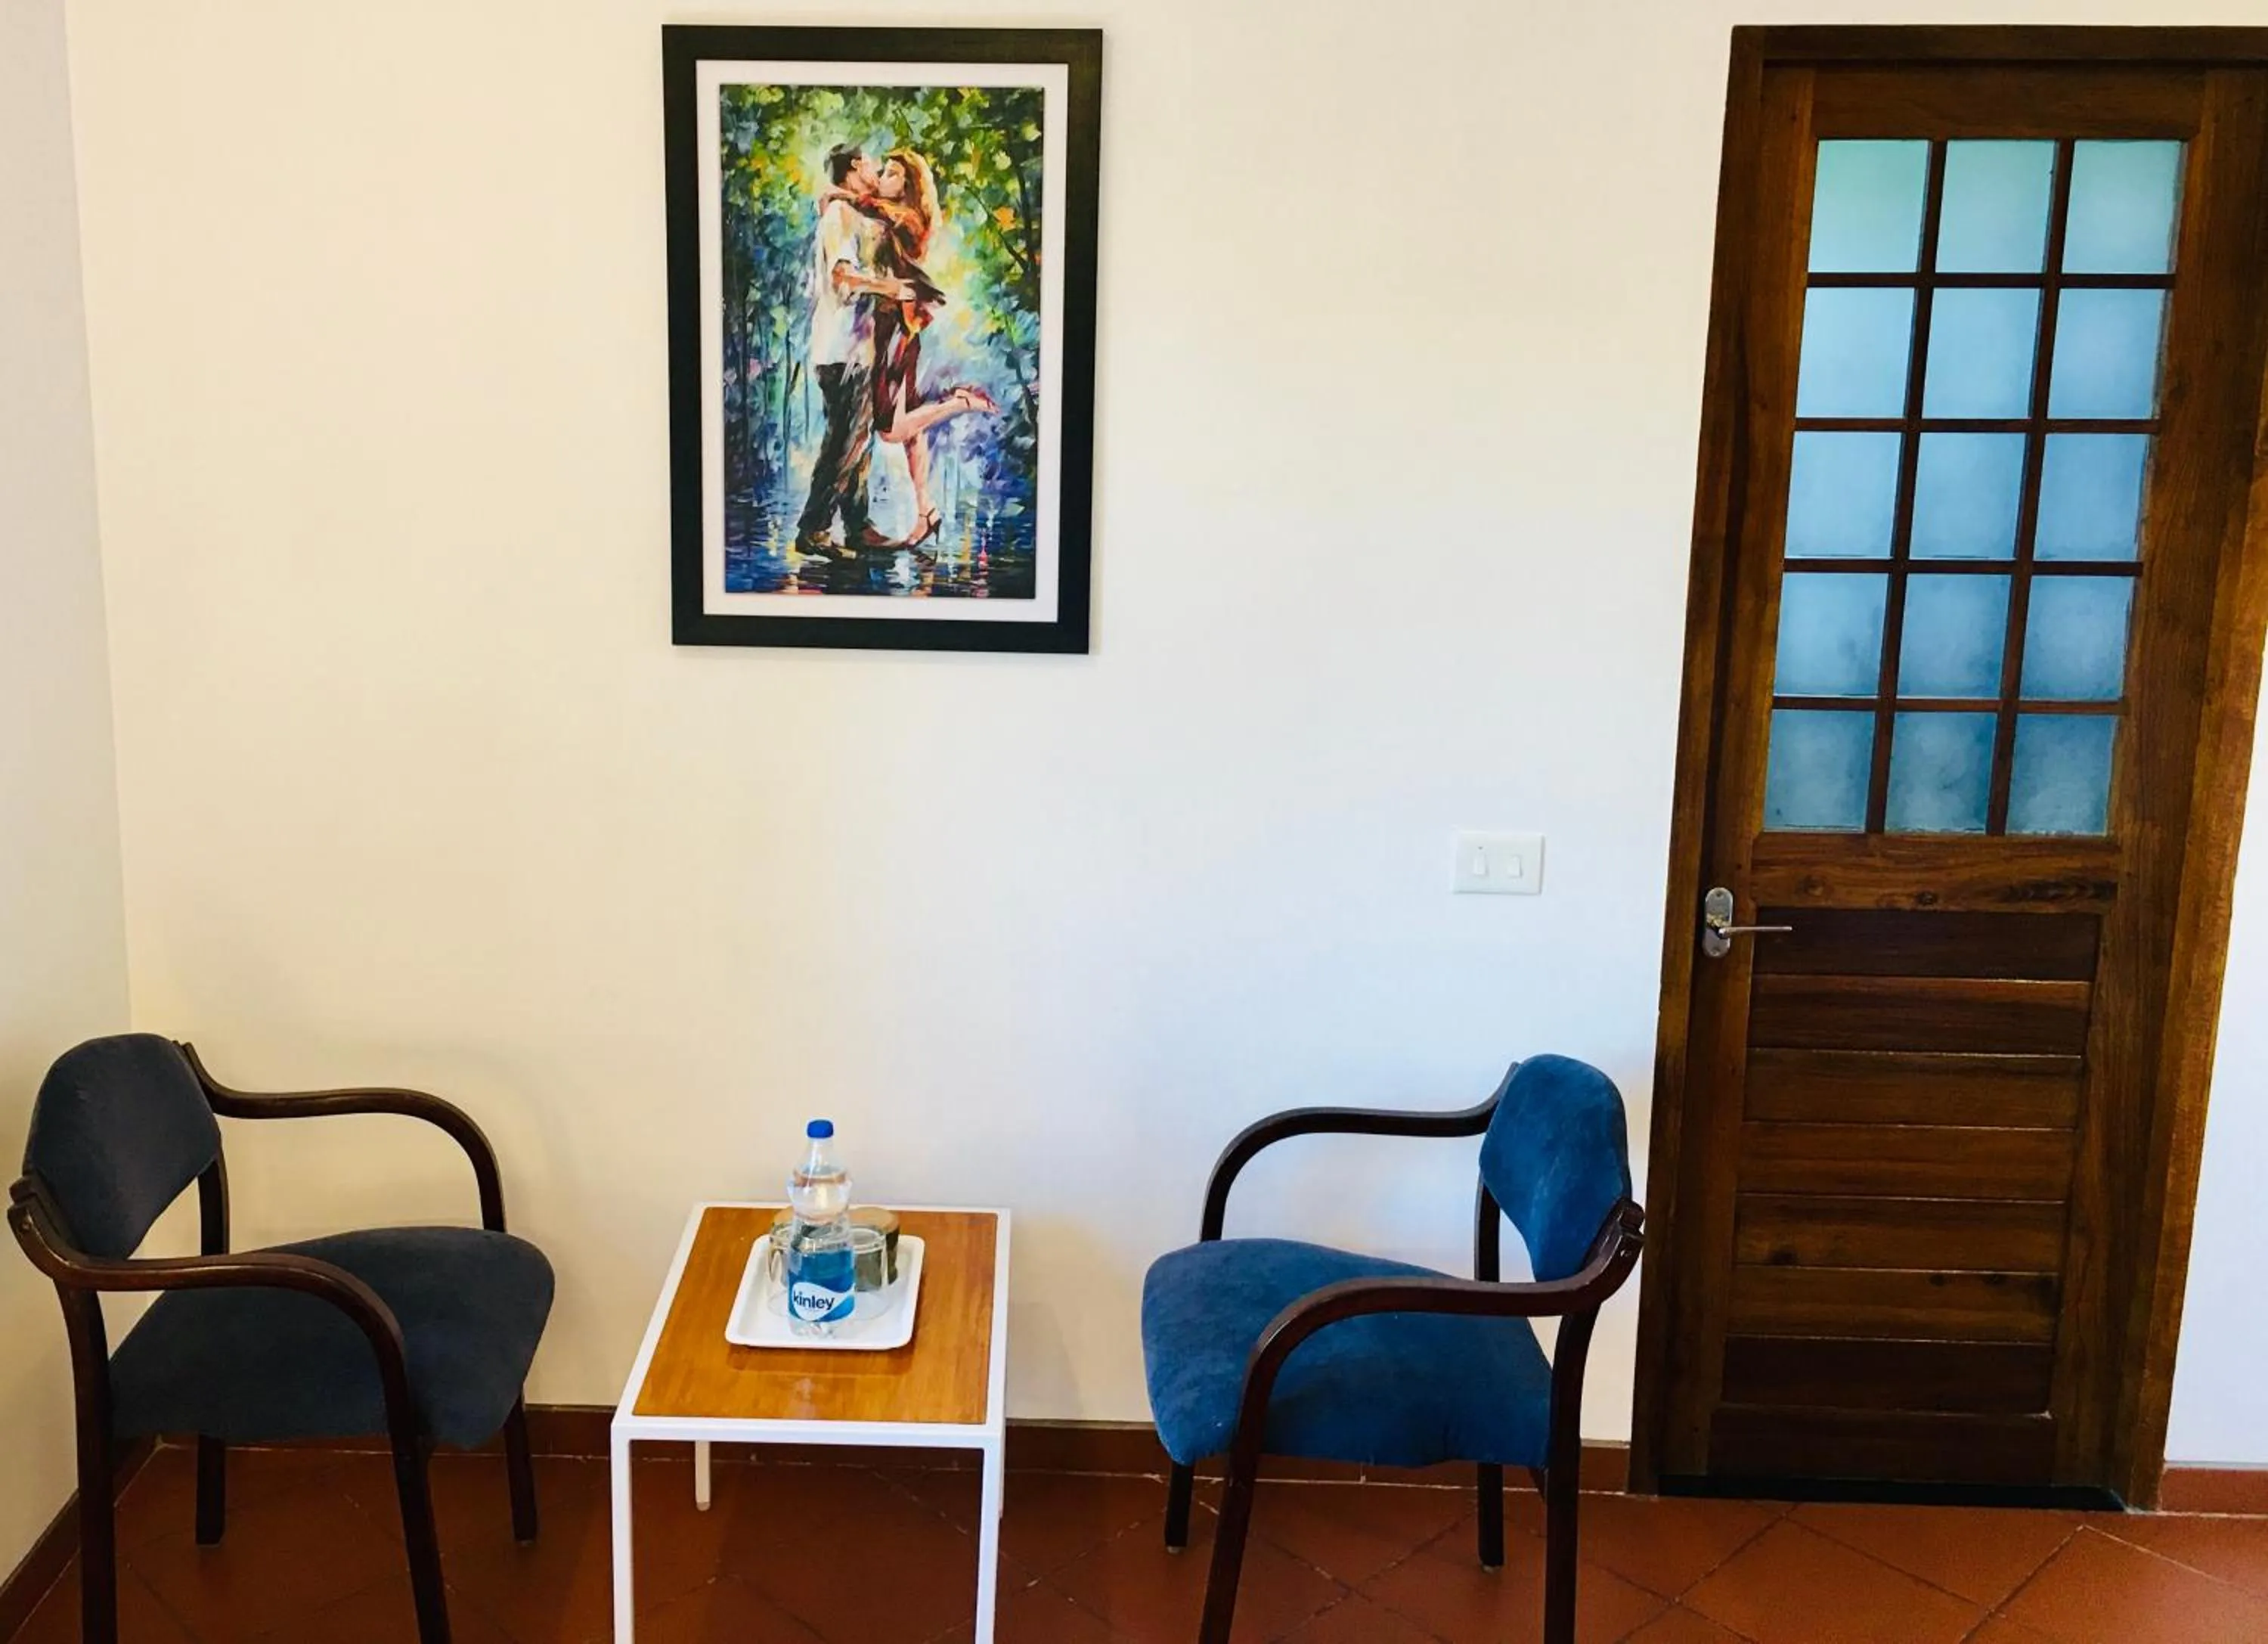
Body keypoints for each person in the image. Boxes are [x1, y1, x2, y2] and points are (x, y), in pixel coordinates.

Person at [825, 147, 999, 550]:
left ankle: (959, 403)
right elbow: (869, 207)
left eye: (890, 172)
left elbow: (870, 205)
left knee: (889, 429)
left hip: (895, 328)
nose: (881, 177)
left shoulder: (903, 216)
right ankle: (926, 512)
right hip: (900, 324)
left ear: (907, 184)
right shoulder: (895, 214)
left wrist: (838, 196)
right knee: (910, 429)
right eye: (881, 170)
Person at [794, 146, 916, 558]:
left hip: (853, 348)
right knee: (846, 440)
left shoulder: (851, 213)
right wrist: (890, 289)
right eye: (869, 165)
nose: (875, 171)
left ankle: (857, 526)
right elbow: (843, 277)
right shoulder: (840, 218)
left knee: (854, 439)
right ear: (853, 169)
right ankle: (813, 529)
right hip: (841, 349)